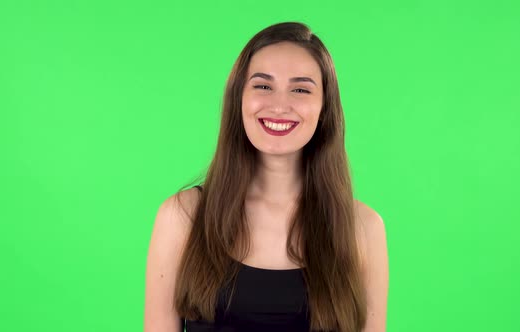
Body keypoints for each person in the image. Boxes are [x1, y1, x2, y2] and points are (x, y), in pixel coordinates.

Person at [144, 22, 388, 332]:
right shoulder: (183, 217)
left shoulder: (363, 229)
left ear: (324, 107)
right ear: (239, 99)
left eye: (300, 89)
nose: (279, 105)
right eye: (263, 85)